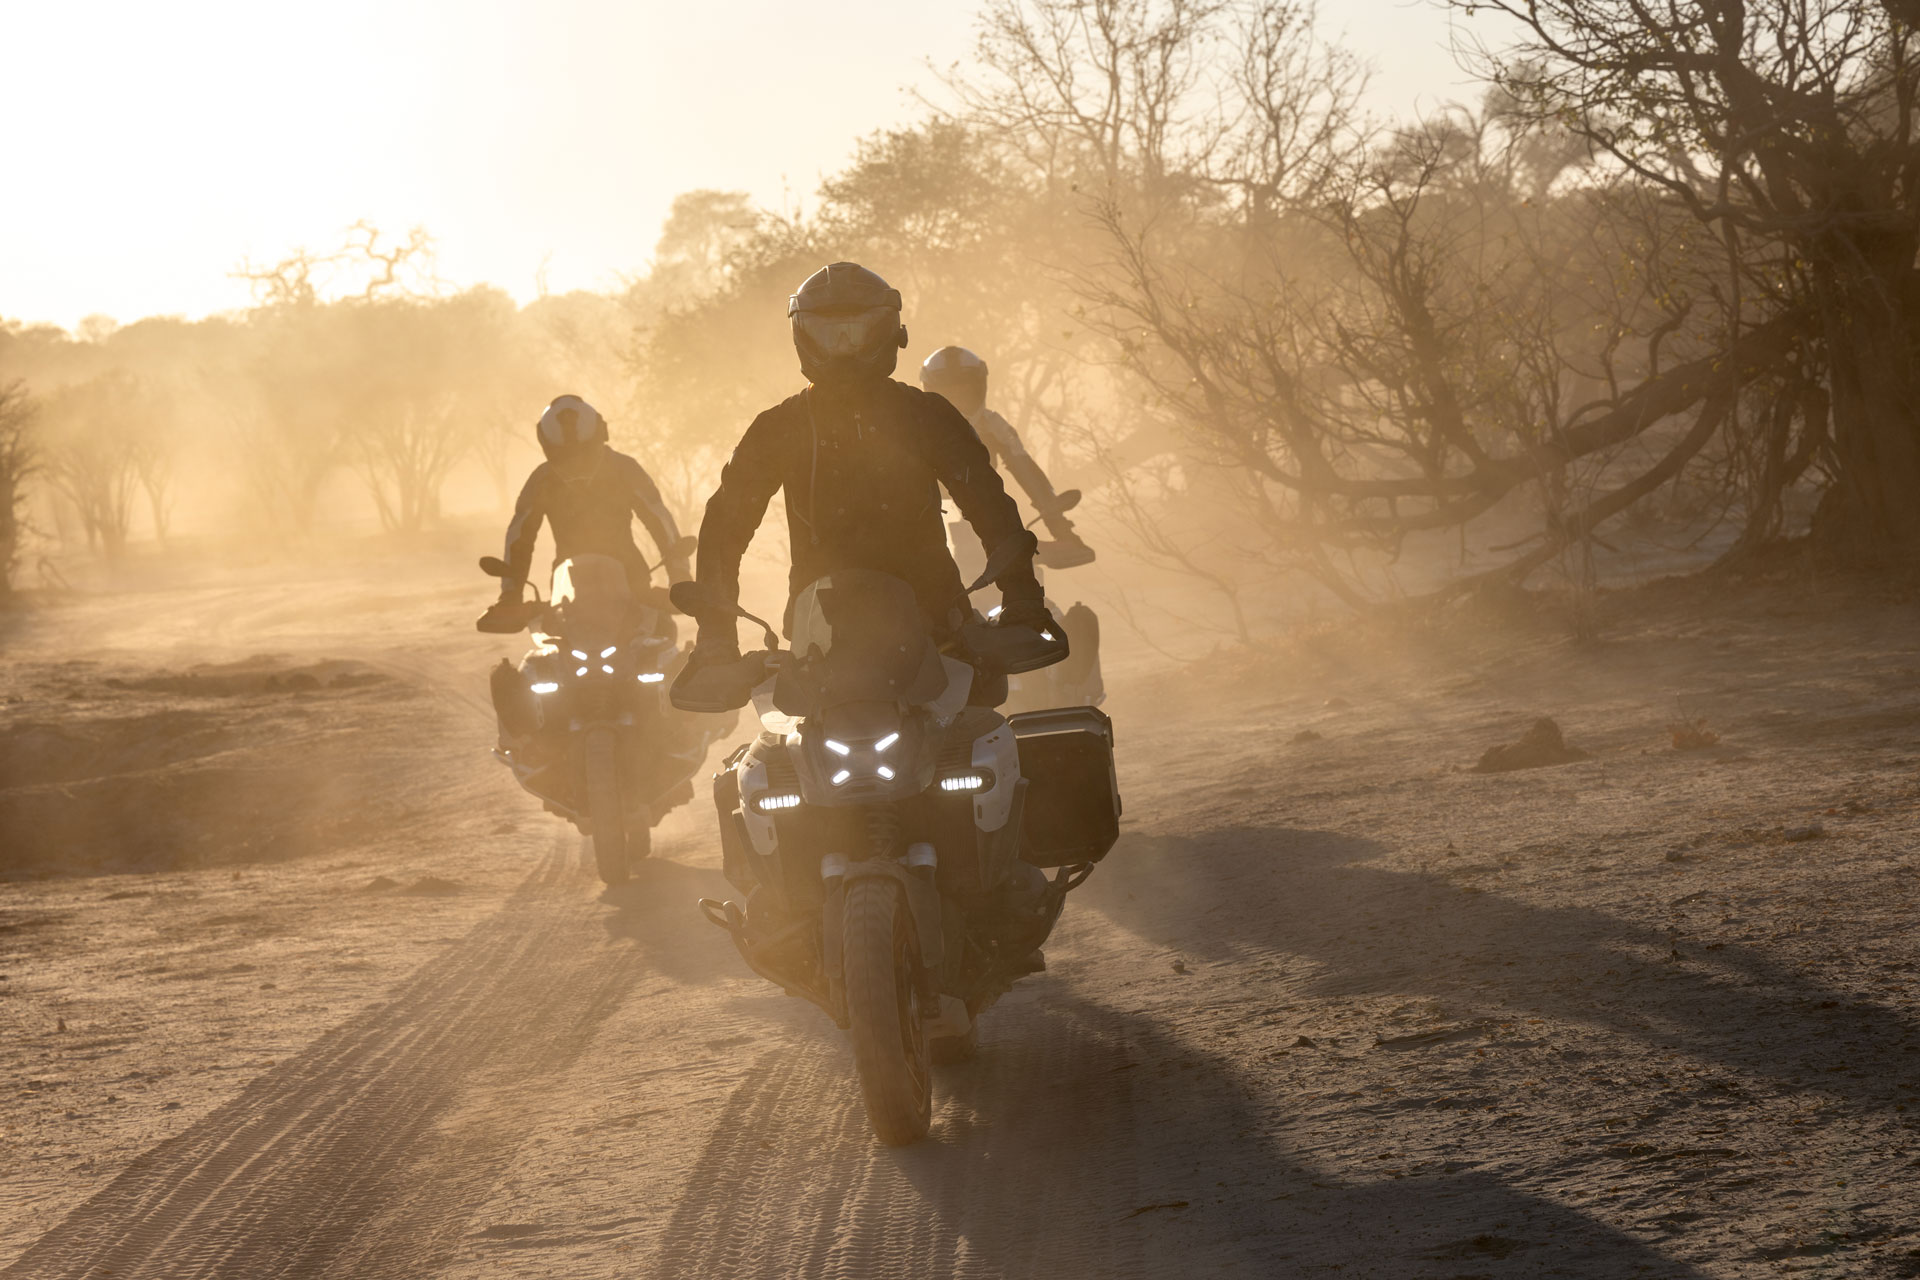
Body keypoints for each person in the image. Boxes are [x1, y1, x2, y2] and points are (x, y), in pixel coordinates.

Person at [678, 262, 1050, 687]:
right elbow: (725, 526)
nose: (843, 348)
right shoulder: (777, 428)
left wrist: (1022, 598)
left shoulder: (928, 416)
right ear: (803, 336)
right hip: (818, 641)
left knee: (982, 726)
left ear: (889, 332)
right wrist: (715, 635)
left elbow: (989, 505)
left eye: (856, 332)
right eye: (828, 333)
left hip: (938, 628)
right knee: (774, 749)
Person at [478, 394, 691, 632]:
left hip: (633, 586)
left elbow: (657, 518)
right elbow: (520, 537)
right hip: (568, 590)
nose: (575, 463)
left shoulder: (625, 470)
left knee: (662, 641)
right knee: (543, 657)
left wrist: (680, 575)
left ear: (600, 438)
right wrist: (510, 596)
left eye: (584, 454)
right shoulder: (542, 480)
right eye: (564, 456)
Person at [917, 345, 1092, 568]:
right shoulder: (911, 431)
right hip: (925, 531)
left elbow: (1027, 471)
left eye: (964, 394)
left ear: (980, 389)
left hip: (987, 524)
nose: (957, 403)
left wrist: (1060, 526)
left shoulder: (993, 425)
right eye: (948, 396)